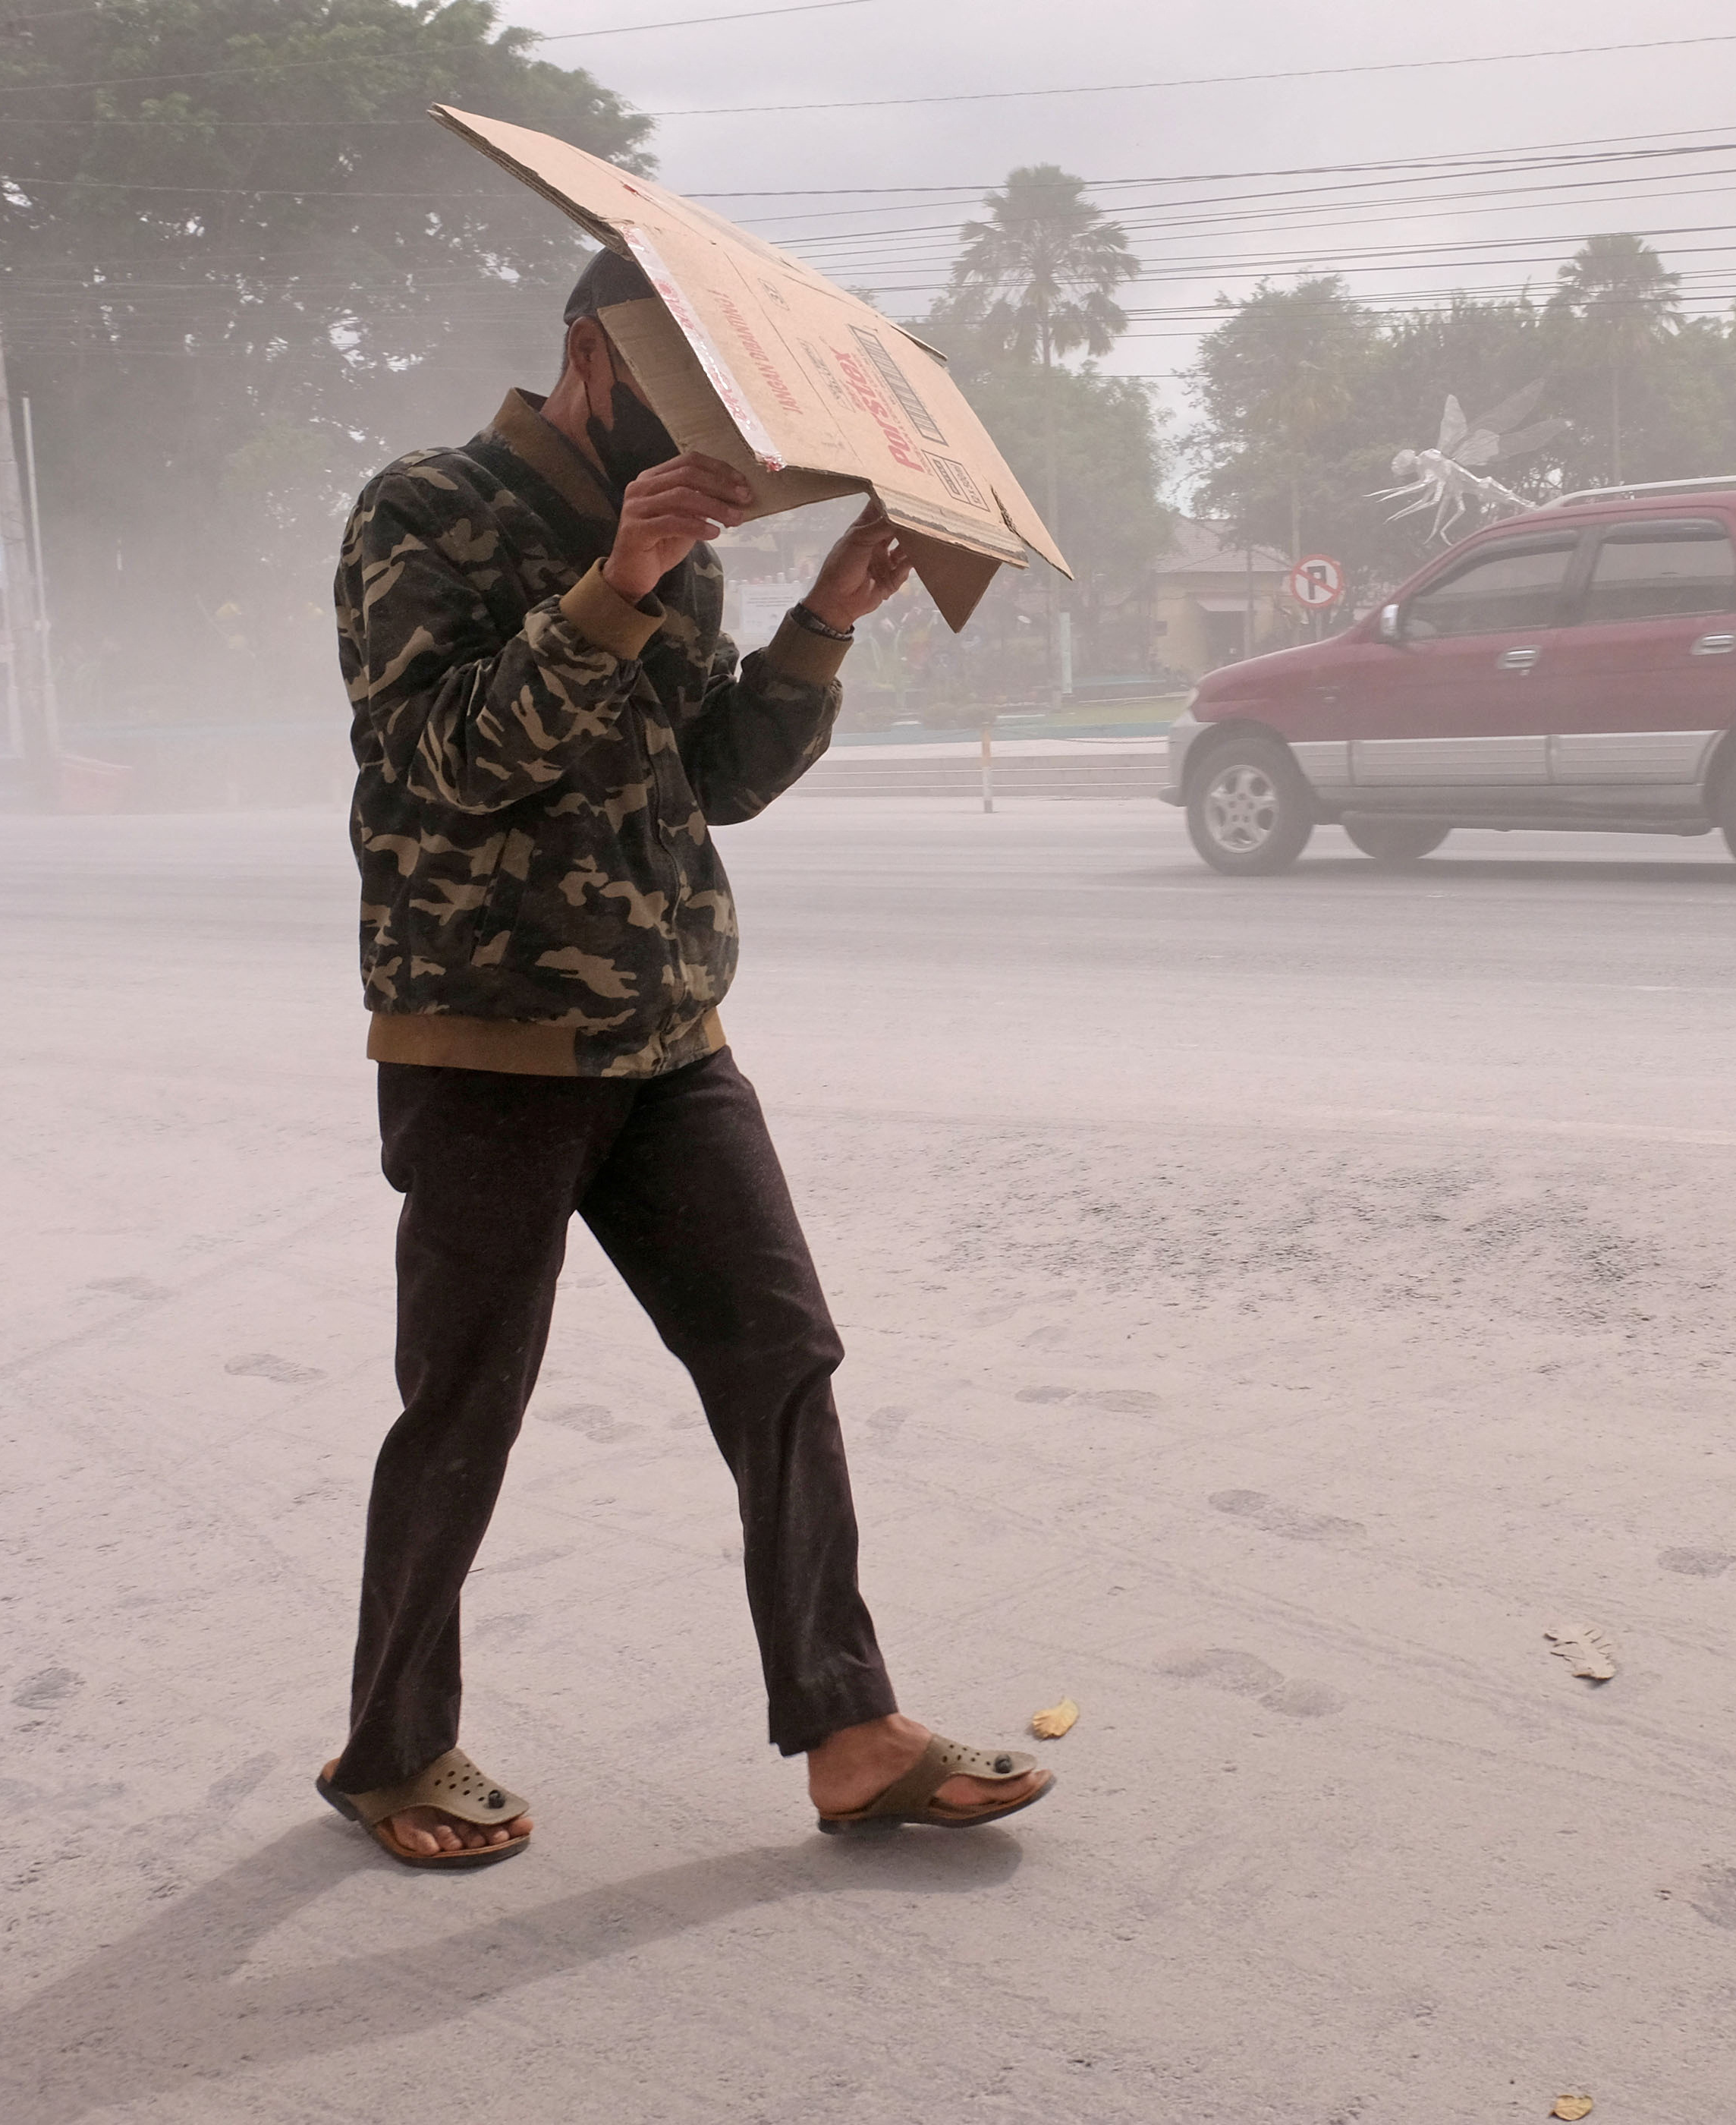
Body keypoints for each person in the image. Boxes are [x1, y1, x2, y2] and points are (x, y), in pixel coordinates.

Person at [315, 248, 1052, 1868]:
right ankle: (392, 1745)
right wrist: (616, 582)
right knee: (466, 1404)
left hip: (666, 1037)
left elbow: (709, 777)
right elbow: (439, 764)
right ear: (596, 353)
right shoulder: (422, 508)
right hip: (490, 1045)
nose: (723, 438)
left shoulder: (692, 543)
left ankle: (850, 1730)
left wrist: (821, 625)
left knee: (779, 1354)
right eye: (688, 388)